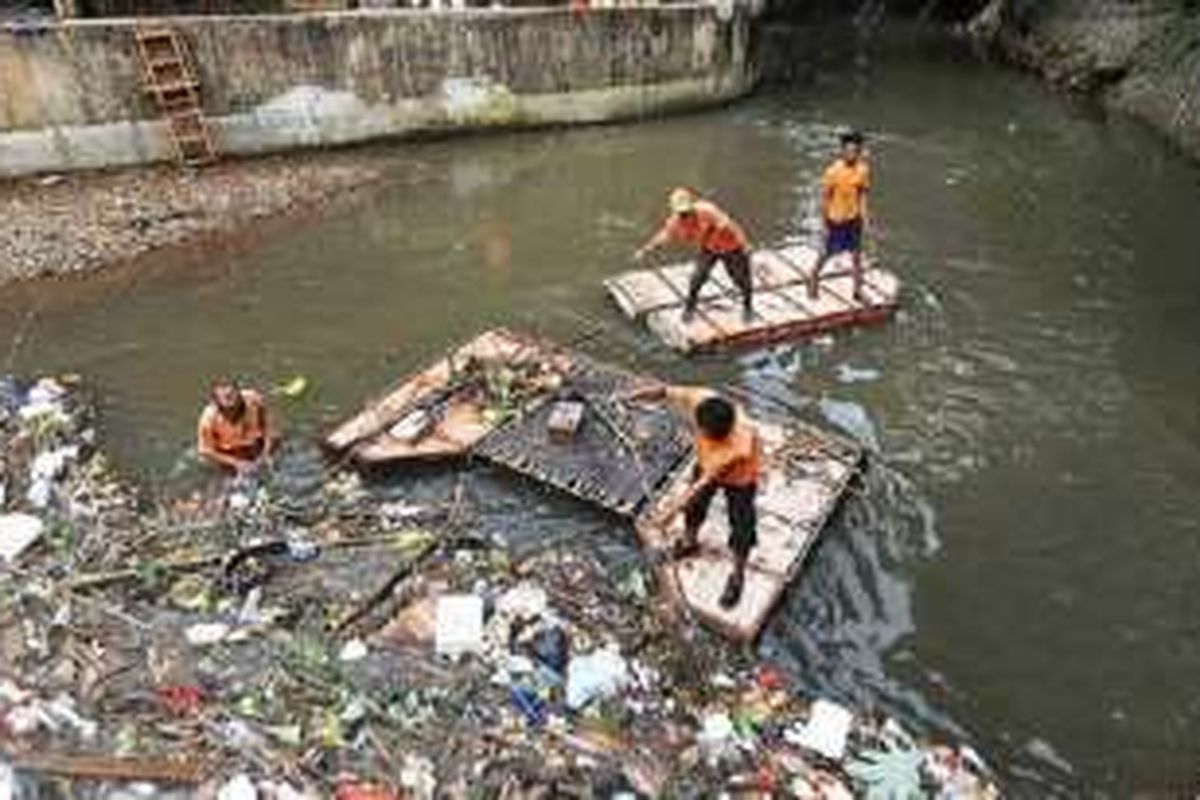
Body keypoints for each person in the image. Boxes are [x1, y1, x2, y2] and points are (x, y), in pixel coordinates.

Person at [623, 382, 762, 609]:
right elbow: (664, 391)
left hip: (740, 478)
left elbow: (700, 486)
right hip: (705, 462)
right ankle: (689, 543)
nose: (699, 432)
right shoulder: (703, 399)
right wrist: (631, 395)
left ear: (721, 435)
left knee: (741, 525)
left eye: (705, 433)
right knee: (695, 508)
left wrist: (668, 514)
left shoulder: (737, 447)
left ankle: (737, 576)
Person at [633, 187, 755, 324]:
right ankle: (690, 307)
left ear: (692, 206)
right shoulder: (676, 222)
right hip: (709, 249)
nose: (685, 216)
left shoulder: (707, 211)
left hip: (732, 248)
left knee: (741, 279)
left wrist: (745, 245)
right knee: (697, 277)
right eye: (681, 213)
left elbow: (730, 226)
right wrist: (645, 250)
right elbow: (663, 237)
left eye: (686, 212)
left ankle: (748, 307)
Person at [812, 130, 871, 302]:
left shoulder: (863, 170)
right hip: (835, 220)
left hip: (854, 219)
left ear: (859, 152)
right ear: (842, 151)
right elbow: (825, 199)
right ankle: (814, 279)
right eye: (848, 150)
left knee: (857, 255)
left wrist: (865, 215)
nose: (851, 154)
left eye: (855, 151)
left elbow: (862, 194)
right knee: (826, 253)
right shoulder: (832, 172)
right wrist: (824, 225)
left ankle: (857, 291)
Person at [196, 378, 276, 474]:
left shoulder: (253, 400)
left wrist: (266, 453)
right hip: (229, 453)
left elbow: (269, 428)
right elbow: (205, 450)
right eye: (228, 400)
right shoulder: (209, 419)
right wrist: (236, 463)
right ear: (217, 405)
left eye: (236, 397)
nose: (234, 404)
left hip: (256, 443)